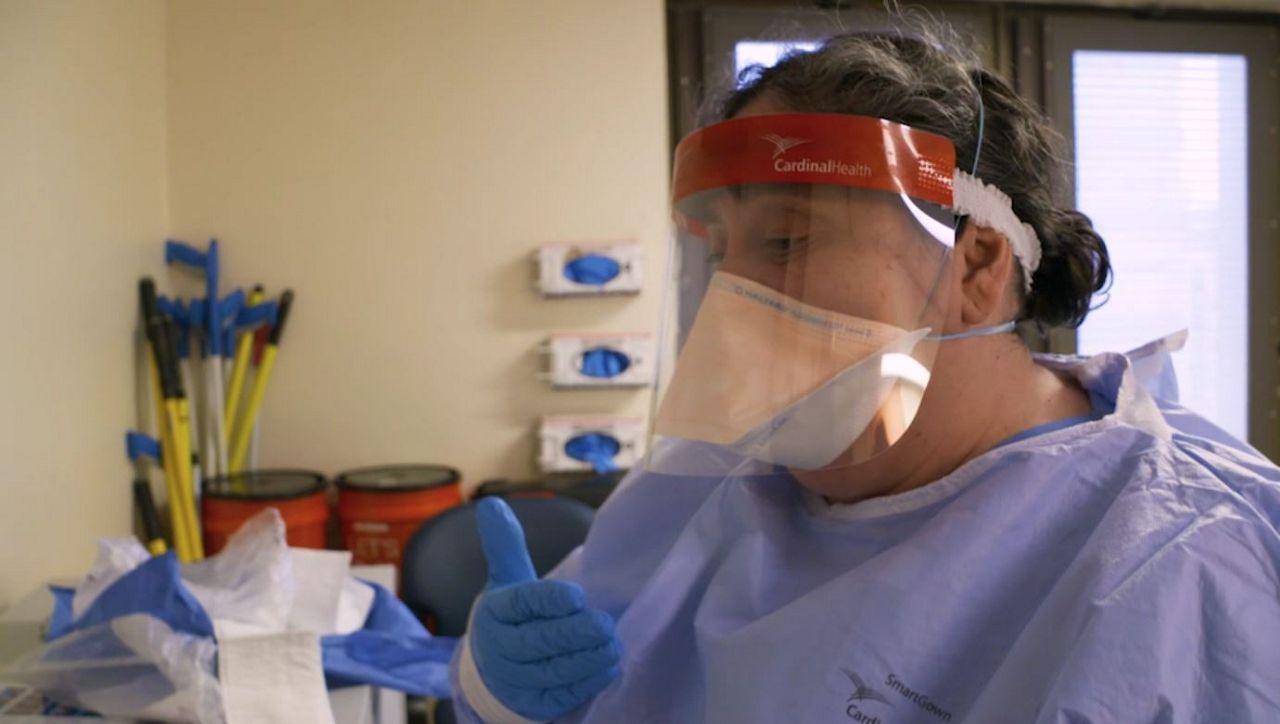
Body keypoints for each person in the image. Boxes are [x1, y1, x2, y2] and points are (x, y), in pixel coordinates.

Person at [450, 24, 1280, 724]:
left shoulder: (1190, 563)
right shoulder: (708, 481)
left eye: (785, 243)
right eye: (720, 261)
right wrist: (491, 684)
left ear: (976, 265)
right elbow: (545, 678)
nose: (730, 307)